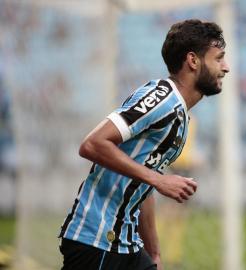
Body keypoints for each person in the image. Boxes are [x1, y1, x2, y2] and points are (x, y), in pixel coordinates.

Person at [58, 19, 229, 270]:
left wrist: (154, 251)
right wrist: (158, 180)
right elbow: (92, 144)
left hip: (127, 243)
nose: (226, 67)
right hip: (97, 238)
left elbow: (144, 183)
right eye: (219, 58)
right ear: (193, 61)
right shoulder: (161, 97)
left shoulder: (180, 116)